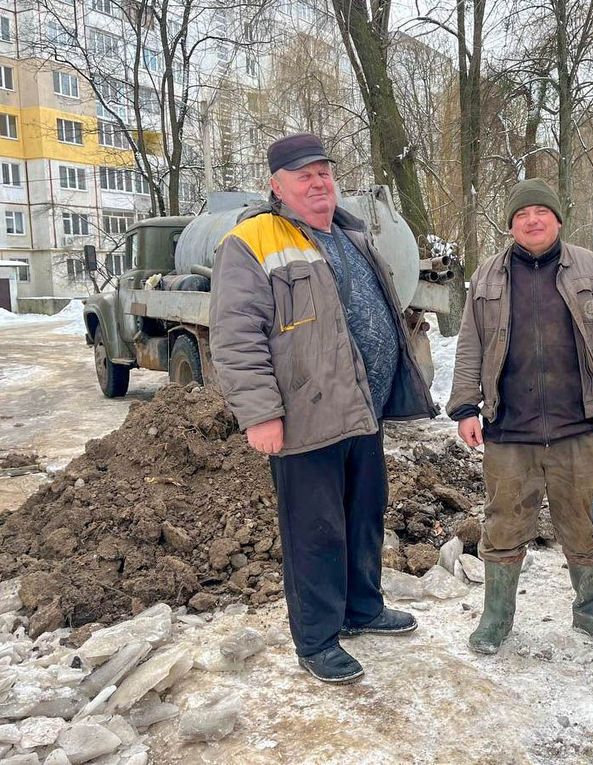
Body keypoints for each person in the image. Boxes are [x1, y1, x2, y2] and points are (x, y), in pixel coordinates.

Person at [209, 133, 437, 684]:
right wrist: (261, 412)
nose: (318, 184)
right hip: (305, 417)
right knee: (316, 530)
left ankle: (362, 607)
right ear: (277, 186)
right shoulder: (251, 242)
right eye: (303, 175)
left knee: (364, 516)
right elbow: (237, 336)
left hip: (363, 411)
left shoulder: (350, 235)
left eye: (324, 173)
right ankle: (316, 638)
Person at [448, 177, 593, 654]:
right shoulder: (489, 276)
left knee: (585, 520)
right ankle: (496, 617)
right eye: (521, 215)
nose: (532, 221)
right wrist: (466, 406)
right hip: (509, 428)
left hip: (577, 427)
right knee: (503, 522)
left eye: (541, 213)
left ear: (557, 219)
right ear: (511, 225)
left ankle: (591, 612)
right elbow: (470, 344)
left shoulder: (591, 270)